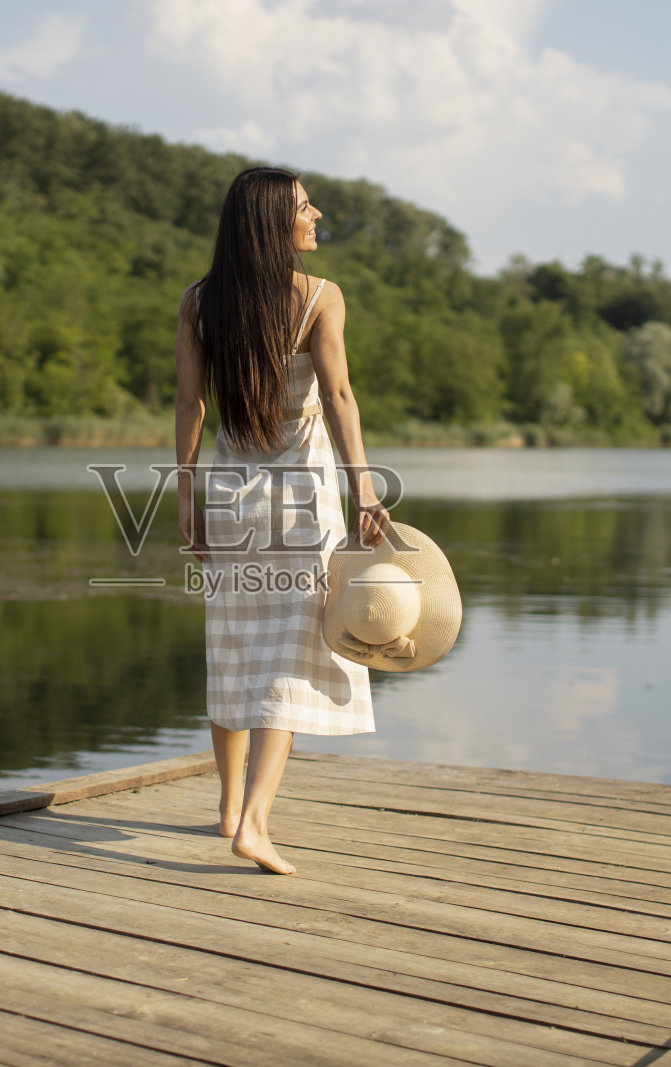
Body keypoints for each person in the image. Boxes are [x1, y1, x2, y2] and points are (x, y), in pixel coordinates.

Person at [175, 167, 389, 875]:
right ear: (273, 222)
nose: (316, 214)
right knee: (292, 657)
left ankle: (228, 807)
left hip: (231, 492)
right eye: (304, 206)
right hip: (301, 496)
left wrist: (185, 493)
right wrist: (365, 492)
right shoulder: (320, 297)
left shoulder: (200, 301)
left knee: (233, 644)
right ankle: (255, 823)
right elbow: (339, 395)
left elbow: (190, 404)